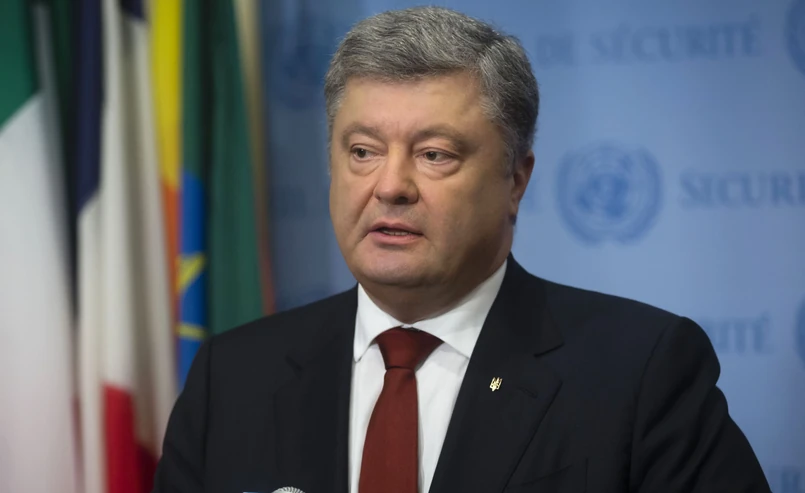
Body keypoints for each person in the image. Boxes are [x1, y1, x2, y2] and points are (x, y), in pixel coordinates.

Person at [152, 6, 770, 493]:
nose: (390, 186)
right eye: (362, 151)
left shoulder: (641, 371)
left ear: (515, 180)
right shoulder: (232, 377)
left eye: (434, 154)